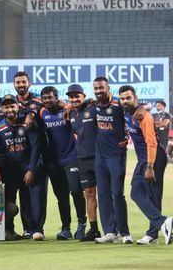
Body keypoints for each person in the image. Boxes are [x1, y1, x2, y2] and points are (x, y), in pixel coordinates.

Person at [119, 86, 173, 245]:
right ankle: (162, 224)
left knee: (151, 194)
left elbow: (151, 143)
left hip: (153, 158)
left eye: (128, 98)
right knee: (137, 192)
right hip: (144, 159)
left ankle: (154, 232)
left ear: (135, 98)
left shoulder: (145, 118)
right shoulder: (127, 112)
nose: (125, 101)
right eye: (122, 98)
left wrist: (150, 167)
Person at [37, 86, 87, 240]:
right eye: (44, 98)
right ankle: (66, 228)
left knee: (76, 191)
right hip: (54, 162)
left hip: (71, 157)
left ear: (56, 98)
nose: (47, 101)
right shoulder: (41, 112)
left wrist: (68, 105)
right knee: (61, 196)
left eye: (50, 97)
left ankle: (81, 225)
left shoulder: (67, 110)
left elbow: (83, 106)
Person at [0, 95, 43, 241]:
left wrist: (31, 170)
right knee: (10, 200)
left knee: (32, 200)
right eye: (6, 107)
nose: (10, 109)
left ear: (18, 106)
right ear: (2, 109)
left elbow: (35, 148)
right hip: (11, 171)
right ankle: (9, 230)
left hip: (29, 166)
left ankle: (34, 229)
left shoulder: (28, 123)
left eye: (12, 106)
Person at [91, 77, 131, 244]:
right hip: (100, 156)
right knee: (103, 194)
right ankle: (109, 232)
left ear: (108, 88)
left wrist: (127, 136)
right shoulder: (93, 105)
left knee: (117, 193)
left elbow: (135, 111)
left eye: (101, 88)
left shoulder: (118, 104)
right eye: (96, 88)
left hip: (116, 155)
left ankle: (124, 232)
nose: (98, 91)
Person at [67, 84, 102, 241]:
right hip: (82, 159)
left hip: (99, 157)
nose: (74, 99)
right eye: (71, 97)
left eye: (77, 96)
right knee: (89, 194)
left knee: (107, 194)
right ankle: (94, 229)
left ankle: (114, 228)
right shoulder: (71, 113)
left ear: (84, 96)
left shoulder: (94, 108)